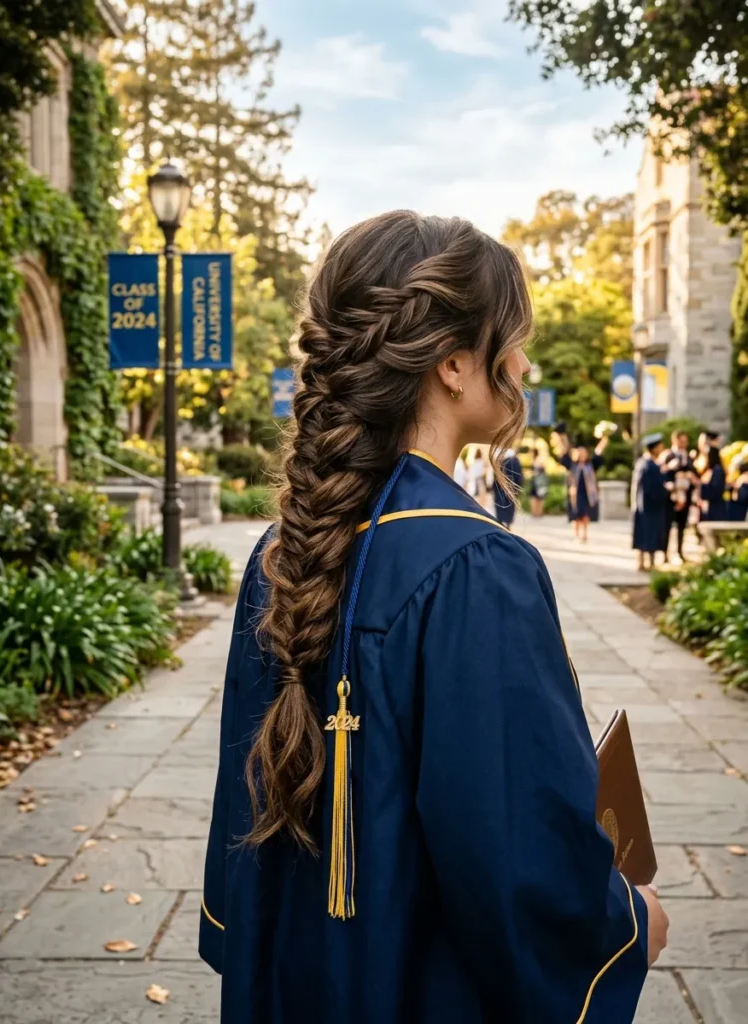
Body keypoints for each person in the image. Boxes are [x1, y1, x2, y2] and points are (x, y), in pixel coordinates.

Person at [199, 211, 667, 1024]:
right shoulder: (475, 569)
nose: (523, 364)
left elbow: (238, 849)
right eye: (512, 339)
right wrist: (624, 924)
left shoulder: (284, 549)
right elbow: (515, 857)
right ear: (452, 363)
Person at [552, 429, 609, 542]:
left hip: (588, 494)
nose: (582, 455)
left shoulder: (590, 464)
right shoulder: (573, 465)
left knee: (586, 515)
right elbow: (564, 453)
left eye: (584, 453)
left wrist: (604, 439)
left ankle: (585, 534)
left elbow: (599, 452)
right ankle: (576, 535)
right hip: (575, 493)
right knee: (576, 515)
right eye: (580, 453)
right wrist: (560, 438)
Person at [632, 433, 668, 571]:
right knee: (649, 535)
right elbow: (651, 488)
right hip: (650, 506)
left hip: (642, 506)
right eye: (659, 446)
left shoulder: (642, 463)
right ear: (654, 448)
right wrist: (665, 489)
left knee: (643, 534)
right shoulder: (650, 466)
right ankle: (649, 563)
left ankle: (642, 562)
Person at [660, 431, 697, 563]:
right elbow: (662, 474)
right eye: (681, 441)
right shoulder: (668, 456)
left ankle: (680, 552)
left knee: (682, 526)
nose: (684, 444)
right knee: (667, 526)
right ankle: (664, 554)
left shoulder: (689, 457)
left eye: (685, 441)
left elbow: (694, 474)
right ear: (675, 441)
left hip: (685, 496)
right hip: (671, 497)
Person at [491, 447, 523, 527]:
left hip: (499, 488)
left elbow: (495, 476)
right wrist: (518, 487)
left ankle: (501, 523)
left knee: (500, 505)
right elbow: (518, 476)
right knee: (510, 506)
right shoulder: (514, 460)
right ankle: (508, 524)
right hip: (511, 488)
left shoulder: (499, 460)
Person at [698, 444, 728, 522]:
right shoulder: (708, 470)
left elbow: (715, 489)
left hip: (715, 508)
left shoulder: (717, 470)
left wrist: (699, 485)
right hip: (709, 507)